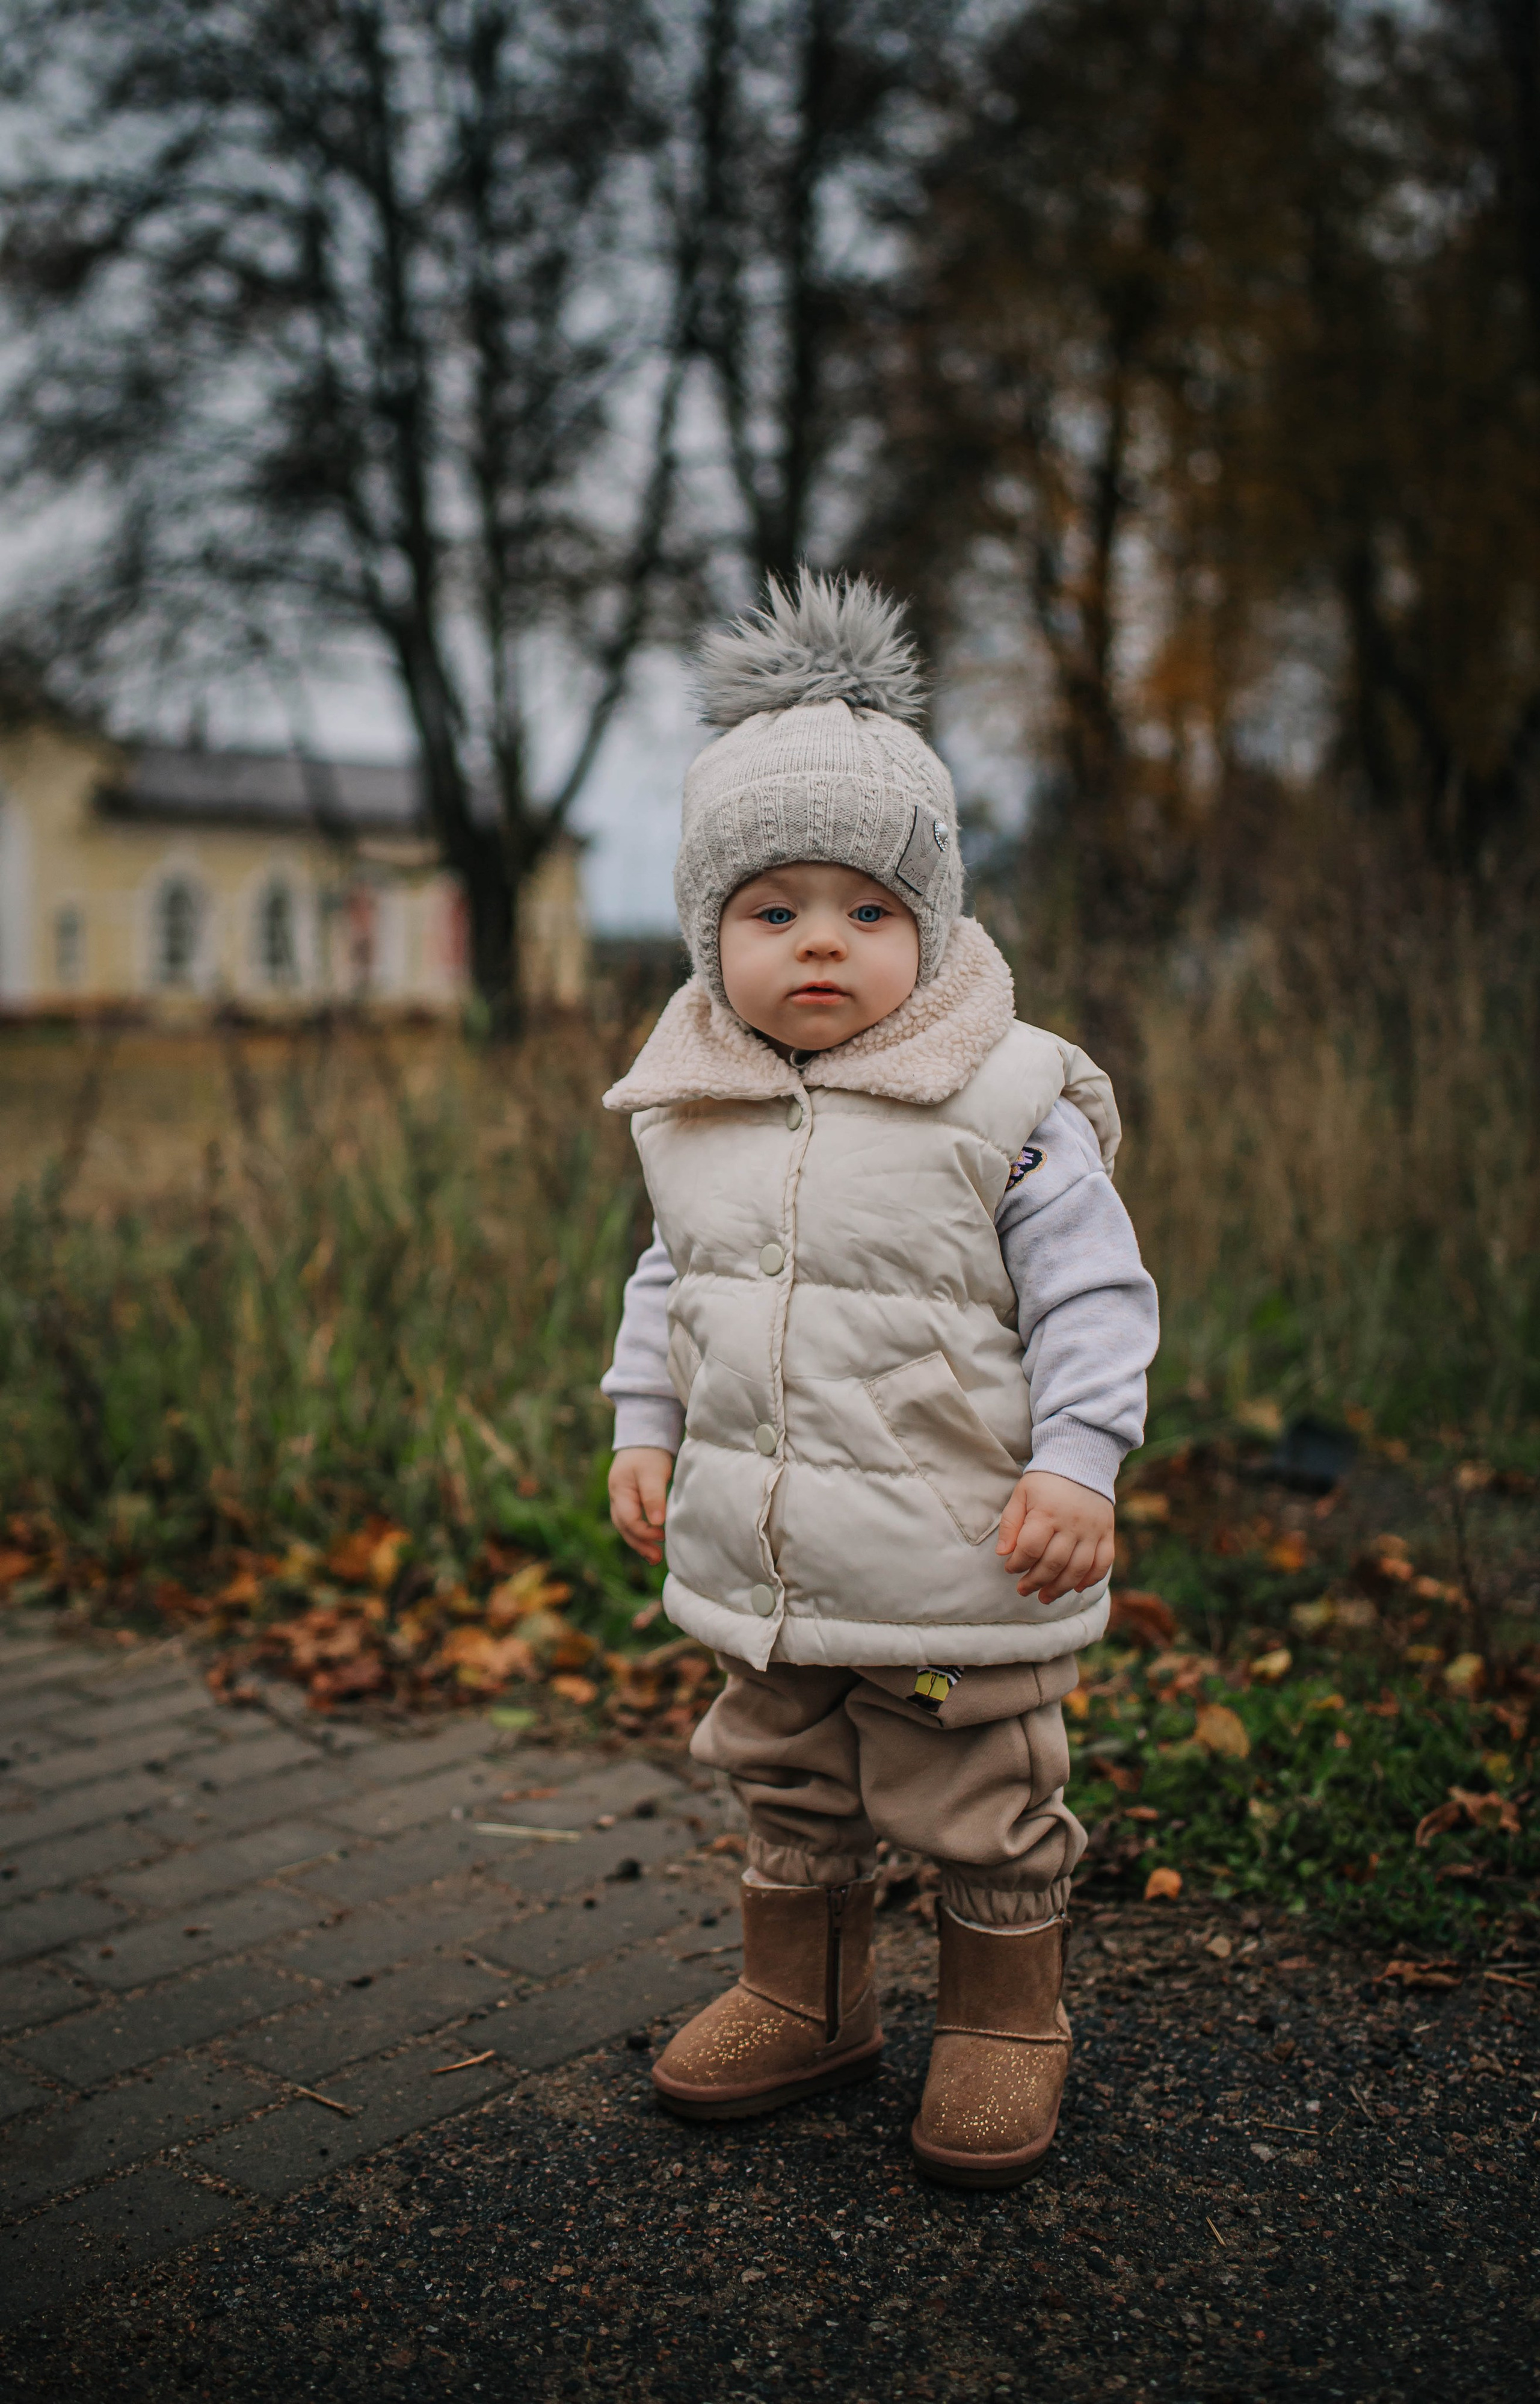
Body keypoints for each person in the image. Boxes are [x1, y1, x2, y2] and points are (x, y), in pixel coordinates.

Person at [600, 569, 1158, 2188]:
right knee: (782, 1770)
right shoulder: (691, 1104)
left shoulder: (1008, 1100)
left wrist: (1080, 1461)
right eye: (773, 912)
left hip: (951, 1562)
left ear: (936, 924)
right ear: (711, 933)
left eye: (868, 909)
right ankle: (808, 1989)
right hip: (770, 1563)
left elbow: (1095, 1295)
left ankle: (1004, 2016)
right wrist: (644, 1422)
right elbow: (673, 1276)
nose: (822, 944)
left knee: (977, 1786)